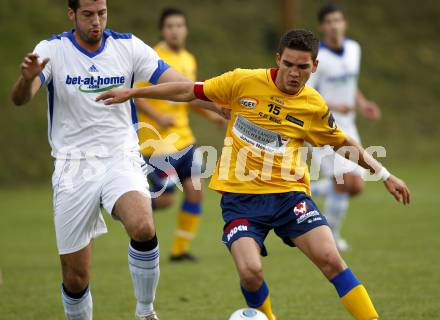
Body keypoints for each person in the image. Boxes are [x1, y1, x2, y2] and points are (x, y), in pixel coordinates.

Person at [97, 29, 410, 320]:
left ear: (314, 66)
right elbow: (188, 91)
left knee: (331, 259)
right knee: (250, 272)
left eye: (302, 67)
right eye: (288, 64)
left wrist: (385, 175)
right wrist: (134, 93)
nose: (294, 73)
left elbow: (342, 143)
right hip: (241, 200)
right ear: (277, 59)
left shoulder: (312, 105)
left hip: (289, 197)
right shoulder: (242, 81)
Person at [10, 1, 221, 319]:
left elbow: (179, 86)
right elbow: (20, 99)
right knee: (76, 278)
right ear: (72, 15)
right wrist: (26, 79)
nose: (96, 21)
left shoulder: (128, 46)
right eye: (88, 14)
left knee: (143, 225)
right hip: (73, 166)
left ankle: (145, 311)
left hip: (120, 157)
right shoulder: (51, 49)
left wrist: (219, 105)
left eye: (101, 13)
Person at [135, 7, 226, 262]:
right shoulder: (152, 58)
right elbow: (136, 95)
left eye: (179, 26)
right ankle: (126, 205)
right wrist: (157, 117)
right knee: (165, 201)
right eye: (170, 26)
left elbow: (190, 97)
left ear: (185, 30)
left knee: (196, 191)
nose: (175, 31)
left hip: (185, 140)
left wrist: (213, 115)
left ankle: (179, 251)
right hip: (157, 145)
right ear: (162, 30)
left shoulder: (189, 59)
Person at [308, 3, 382, 251]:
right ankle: (332, 239)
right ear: (322, 27)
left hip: (349, 124)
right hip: (322, 126)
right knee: (344, 182)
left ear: (344, 23)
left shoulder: (354, 49)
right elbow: (307, 93)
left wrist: (362, 104)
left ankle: (311, 188)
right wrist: (334, 106)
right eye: (329, 21)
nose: (334, 25)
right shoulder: (317, 58)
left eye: (337, 20)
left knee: (356, 185)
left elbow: (352, 84)